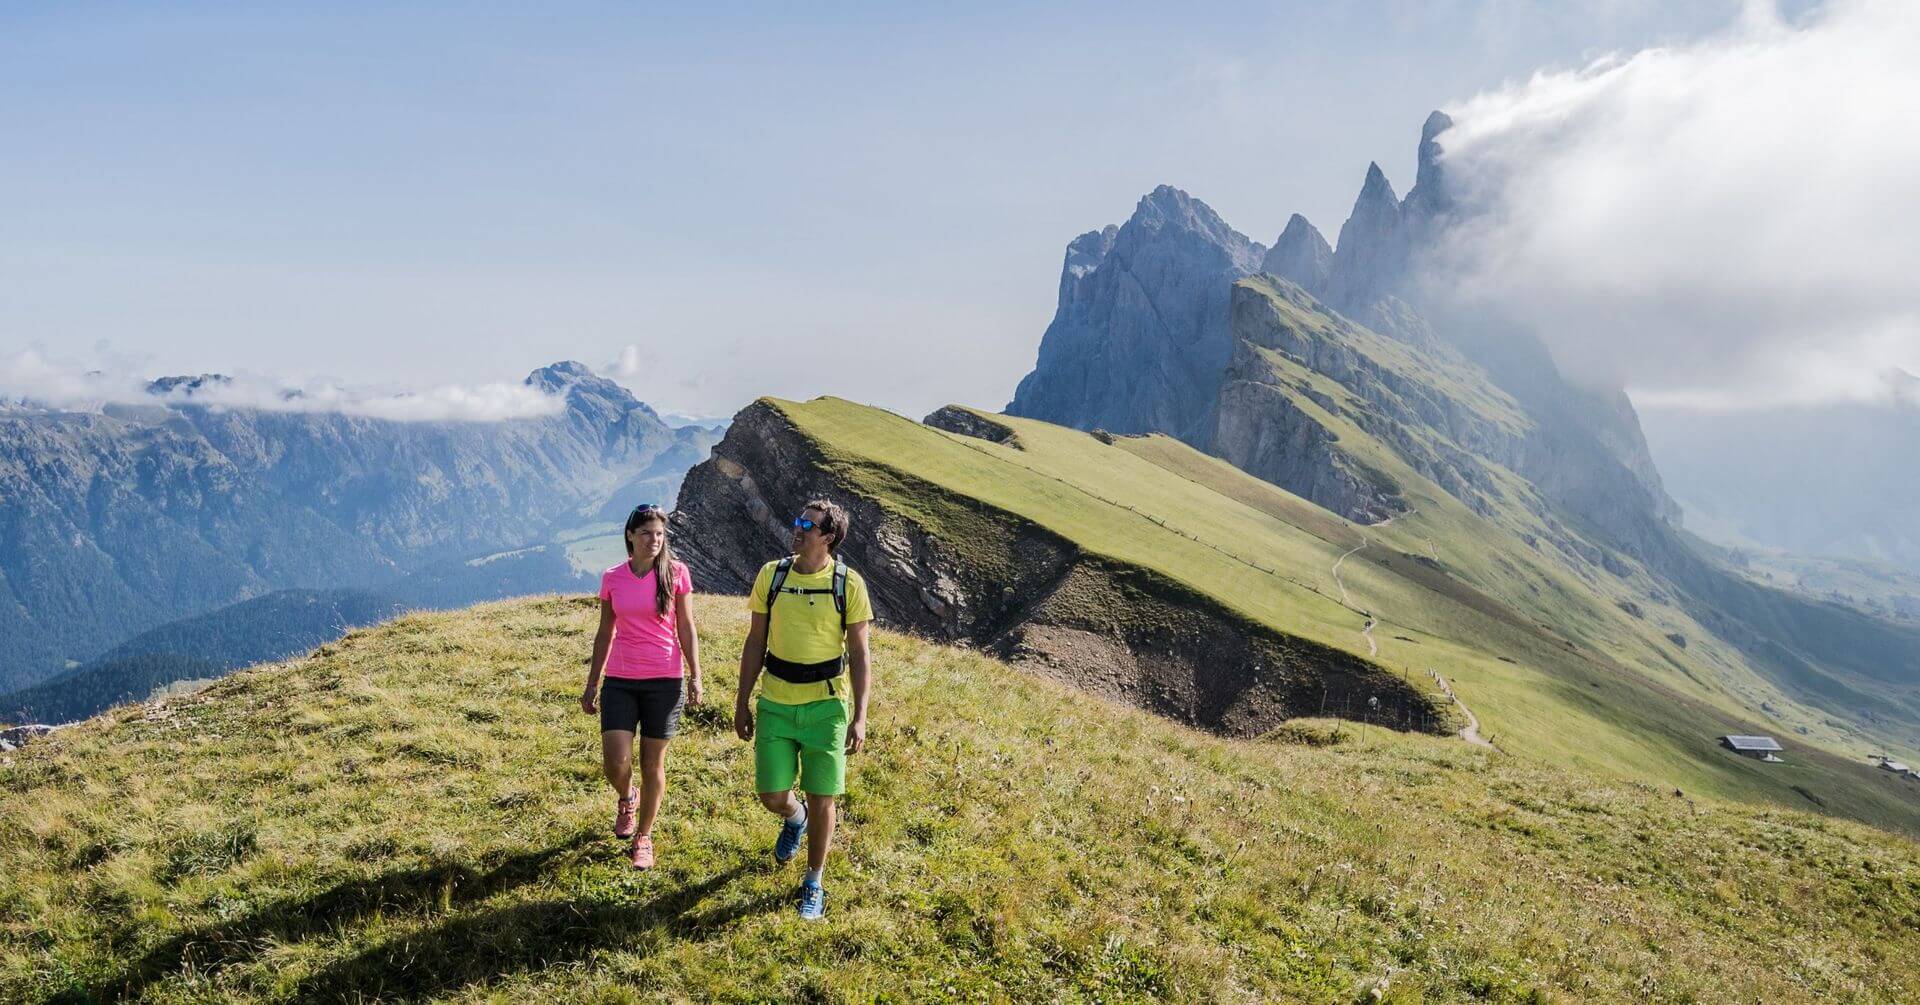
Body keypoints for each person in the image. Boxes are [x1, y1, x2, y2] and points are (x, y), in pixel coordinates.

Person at [735, 499, 872, 920]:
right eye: (798, 521)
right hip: (776, 701)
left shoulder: (848, 584)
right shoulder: (771, 575)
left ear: (828, 537)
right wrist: (741, 701)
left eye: (806, 525)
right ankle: (796, 819)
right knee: (771, 794)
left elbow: (860, 653)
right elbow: (756, 642)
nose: (796, 528)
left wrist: (860, 715)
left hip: (827, 707)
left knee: (823, 796)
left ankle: (813, 882)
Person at [582, 503, 702, 870]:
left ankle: (644, 836)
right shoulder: (613, 577)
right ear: (631, 536)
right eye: (647, 533)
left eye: (660, 534)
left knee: (653, 763)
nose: (655, 540)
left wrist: (696, 675)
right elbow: (606, 631)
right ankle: (627, 796)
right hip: (620, 679)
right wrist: (592, 682)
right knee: (614, 762)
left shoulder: (677, 573)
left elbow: (686, 627)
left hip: (665, 681)